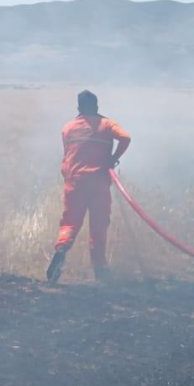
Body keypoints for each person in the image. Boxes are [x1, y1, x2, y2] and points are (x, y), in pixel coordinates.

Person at [47, 90, 132, 283]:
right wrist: (113, 159)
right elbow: (126, 138)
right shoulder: (107, 124)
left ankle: (61, 250)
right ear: (97, 106)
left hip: (74, 182)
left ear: (78, 108)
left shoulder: (67, 128)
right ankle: (100, 269)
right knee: (98, 226)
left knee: (70, 223)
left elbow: (67, 156)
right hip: (98, 181)